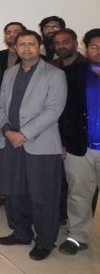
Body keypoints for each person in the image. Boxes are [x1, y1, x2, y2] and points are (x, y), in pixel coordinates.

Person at [0, 30, 66, 261]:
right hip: (10, 141)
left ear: (40, 46)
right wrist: (7, 131)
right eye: (21, 44)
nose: (26, 48)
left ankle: (45, 241)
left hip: (40, 144)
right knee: (14, 192)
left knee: (42, 195)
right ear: (15, 48)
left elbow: (53, 110)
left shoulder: (54, 74)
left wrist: (23, 134)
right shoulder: (9, 73)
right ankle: (21, 233)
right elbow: (0, 105)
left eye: (31, 44)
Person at [58, 28, 100, 256]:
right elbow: (62, 111)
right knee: (78, 194)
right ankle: (77, 235)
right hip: (79, 147)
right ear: (86, 47)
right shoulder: (73, 73)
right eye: (94, 46)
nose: (98, 51)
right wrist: (63, 142)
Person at [0, 21, 26, 209]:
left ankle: (19, 196)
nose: (12, 35)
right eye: (8, 32)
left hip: (24, 119)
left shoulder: (33, 59)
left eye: (16, 31)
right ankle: (1, 192)